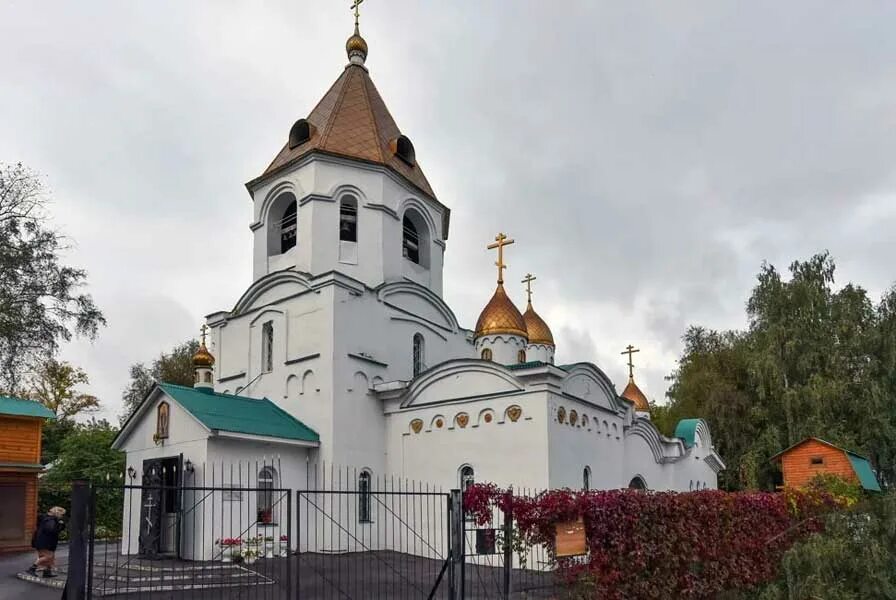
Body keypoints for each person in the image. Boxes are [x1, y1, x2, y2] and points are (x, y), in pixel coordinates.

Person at [28, 506, 66, 578]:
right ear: (58, 513)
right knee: (48, 557)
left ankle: (47, 571)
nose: (62, 516)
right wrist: (60, 525)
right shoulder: (51, 520)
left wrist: (60, 525)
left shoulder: (47, 519)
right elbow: (52, 530)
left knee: (50, 557)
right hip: (45, 542)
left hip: (41, 541)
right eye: (61, 514)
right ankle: (32, 568)